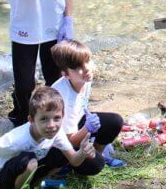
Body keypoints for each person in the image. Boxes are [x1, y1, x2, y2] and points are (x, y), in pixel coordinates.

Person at [0, 86, 96, 189]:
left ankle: (36, 184)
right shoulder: (16, 140)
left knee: (61, 154)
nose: (51, 125)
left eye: (56, 118)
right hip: (1, 182)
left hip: (26, 173)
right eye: (44, 119)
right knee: (30, 161)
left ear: (62, 116)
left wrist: (82, 152)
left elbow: (74, 160)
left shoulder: (57, 132)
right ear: (32, 120)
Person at [48, 40, 126, 178]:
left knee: (115, 121)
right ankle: (63, 166)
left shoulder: (83, 78)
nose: (87, 68)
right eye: (78, 66)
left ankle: (99, 153)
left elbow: (81, 105)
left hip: (75, 126)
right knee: (96, 165)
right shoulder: (61, 97)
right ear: (65, 74)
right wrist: (87, 129)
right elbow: (68, 141)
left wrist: (92, 131)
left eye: (87, 61)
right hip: (57, 144)